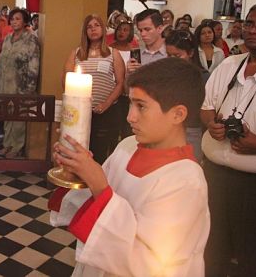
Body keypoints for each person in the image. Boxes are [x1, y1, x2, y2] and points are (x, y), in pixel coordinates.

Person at [49, 57, 208, 276]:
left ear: (178, 114)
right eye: (131, 103)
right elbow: (91, 205)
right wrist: (76, 170)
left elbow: (151, 263)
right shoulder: (128, 146)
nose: (130, 117)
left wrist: (98, 184)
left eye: (141, 106)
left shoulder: (186, 180)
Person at [200, 3, 256, 276]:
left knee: (251, 256)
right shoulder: (229, 65)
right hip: (214, 176)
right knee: (211, 249)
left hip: (253, 187)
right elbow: (206, 106)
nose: (253, 30)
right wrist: (211, 124)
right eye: (249, 23)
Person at [64, 15, 125, 163]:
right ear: (85, 32)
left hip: (104, 112)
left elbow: (120, 83)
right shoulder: (77, 53)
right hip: (81, 112)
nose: (93, 29)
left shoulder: (113, 53)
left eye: (96, 25)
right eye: (89, 27)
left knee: (99, 152)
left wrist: (105, 104)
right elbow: (67, 79)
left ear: (103, 29)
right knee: (78, 148)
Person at [0, 8, 40, 158]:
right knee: (7, 115)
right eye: (13, 19)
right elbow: (2, 61)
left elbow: (34, 65)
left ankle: (17, 146)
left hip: (21, 85)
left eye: (18, 19)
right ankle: (7, 144)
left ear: (24, 21)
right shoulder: (8, 38)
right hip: (5, 83)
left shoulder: (31, 39)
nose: (14, 22)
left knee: (18, 117)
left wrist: (29, 88)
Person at [164, 29, 208, 161]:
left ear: (191, 53)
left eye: (177, 56)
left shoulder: (202, 77)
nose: (172, 60)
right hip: (167, 129)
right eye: (168, 55)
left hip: (191, 130)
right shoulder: (164, 74)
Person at [127, 9, 166, 74]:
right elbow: (128, 83)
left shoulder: (170, 53)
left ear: (160, 29)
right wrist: (128, 73)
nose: (143, 34)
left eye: (147, 29)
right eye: (140, 30)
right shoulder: (136, 55)